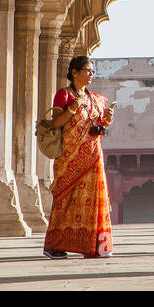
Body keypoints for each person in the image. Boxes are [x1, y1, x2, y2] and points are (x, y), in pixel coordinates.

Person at [43, 56, 116, 259]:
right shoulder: (64, 95)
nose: (91, 74)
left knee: (93, 202)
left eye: (93, 71)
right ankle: (54, 246)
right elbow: (56, 123)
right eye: (87, 70)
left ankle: (94, 246)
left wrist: (106, 120)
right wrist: (73, 107)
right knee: (65, 201)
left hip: (93, 157)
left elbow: (97, 126)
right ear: (75, 72)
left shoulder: (94, 98)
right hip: (70, 159)